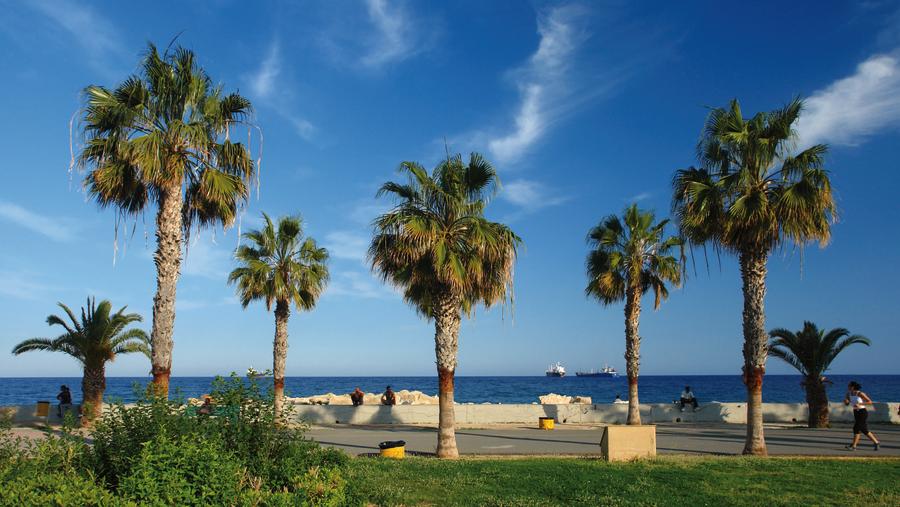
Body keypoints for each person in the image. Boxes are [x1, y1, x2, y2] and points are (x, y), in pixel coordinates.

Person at [844, 381, 880, 451]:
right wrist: (846, 402)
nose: (848, 387)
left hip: (862, 412)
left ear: (853, 387)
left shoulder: (860, 393)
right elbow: (847, 403)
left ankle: (854, 446)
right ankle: (876, 442)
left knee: (856, 428)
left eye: (849, 386)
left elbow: (870, 401)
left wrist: (860, 404)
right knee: (863, 429)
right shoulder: (848, 394)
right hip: (856, 412)